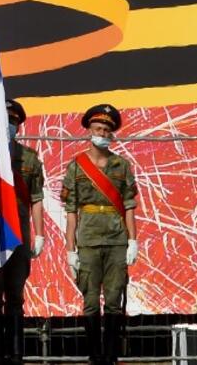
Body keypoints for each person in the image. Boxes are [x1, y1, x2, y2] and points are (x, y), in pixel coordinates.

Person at [62, 104, 139, 365]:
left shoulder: (121, 165)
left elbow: (129, 206)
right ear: (89, 130)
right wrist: (70, 249)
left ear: (112, 134)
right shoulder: (76, 166)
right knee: (91, 302)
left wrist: (133, 240)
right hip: (88, 241)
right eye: (98, 128)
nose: (102, 133)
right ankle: (95, 355)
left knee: (115, 301)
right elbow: (71, 210)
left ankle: (111, 355)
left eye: (106, 130)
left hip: (117, 240)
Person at [0, 100, 45, 365]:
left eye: (13, 121)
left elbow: (37, 199)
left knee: (16, 296)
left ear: (18, 126)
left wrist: (39, 234)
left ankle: (16, 354)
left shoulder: (29, 158)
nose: (9, 125)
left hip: (19, 236)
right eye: (4, 120)